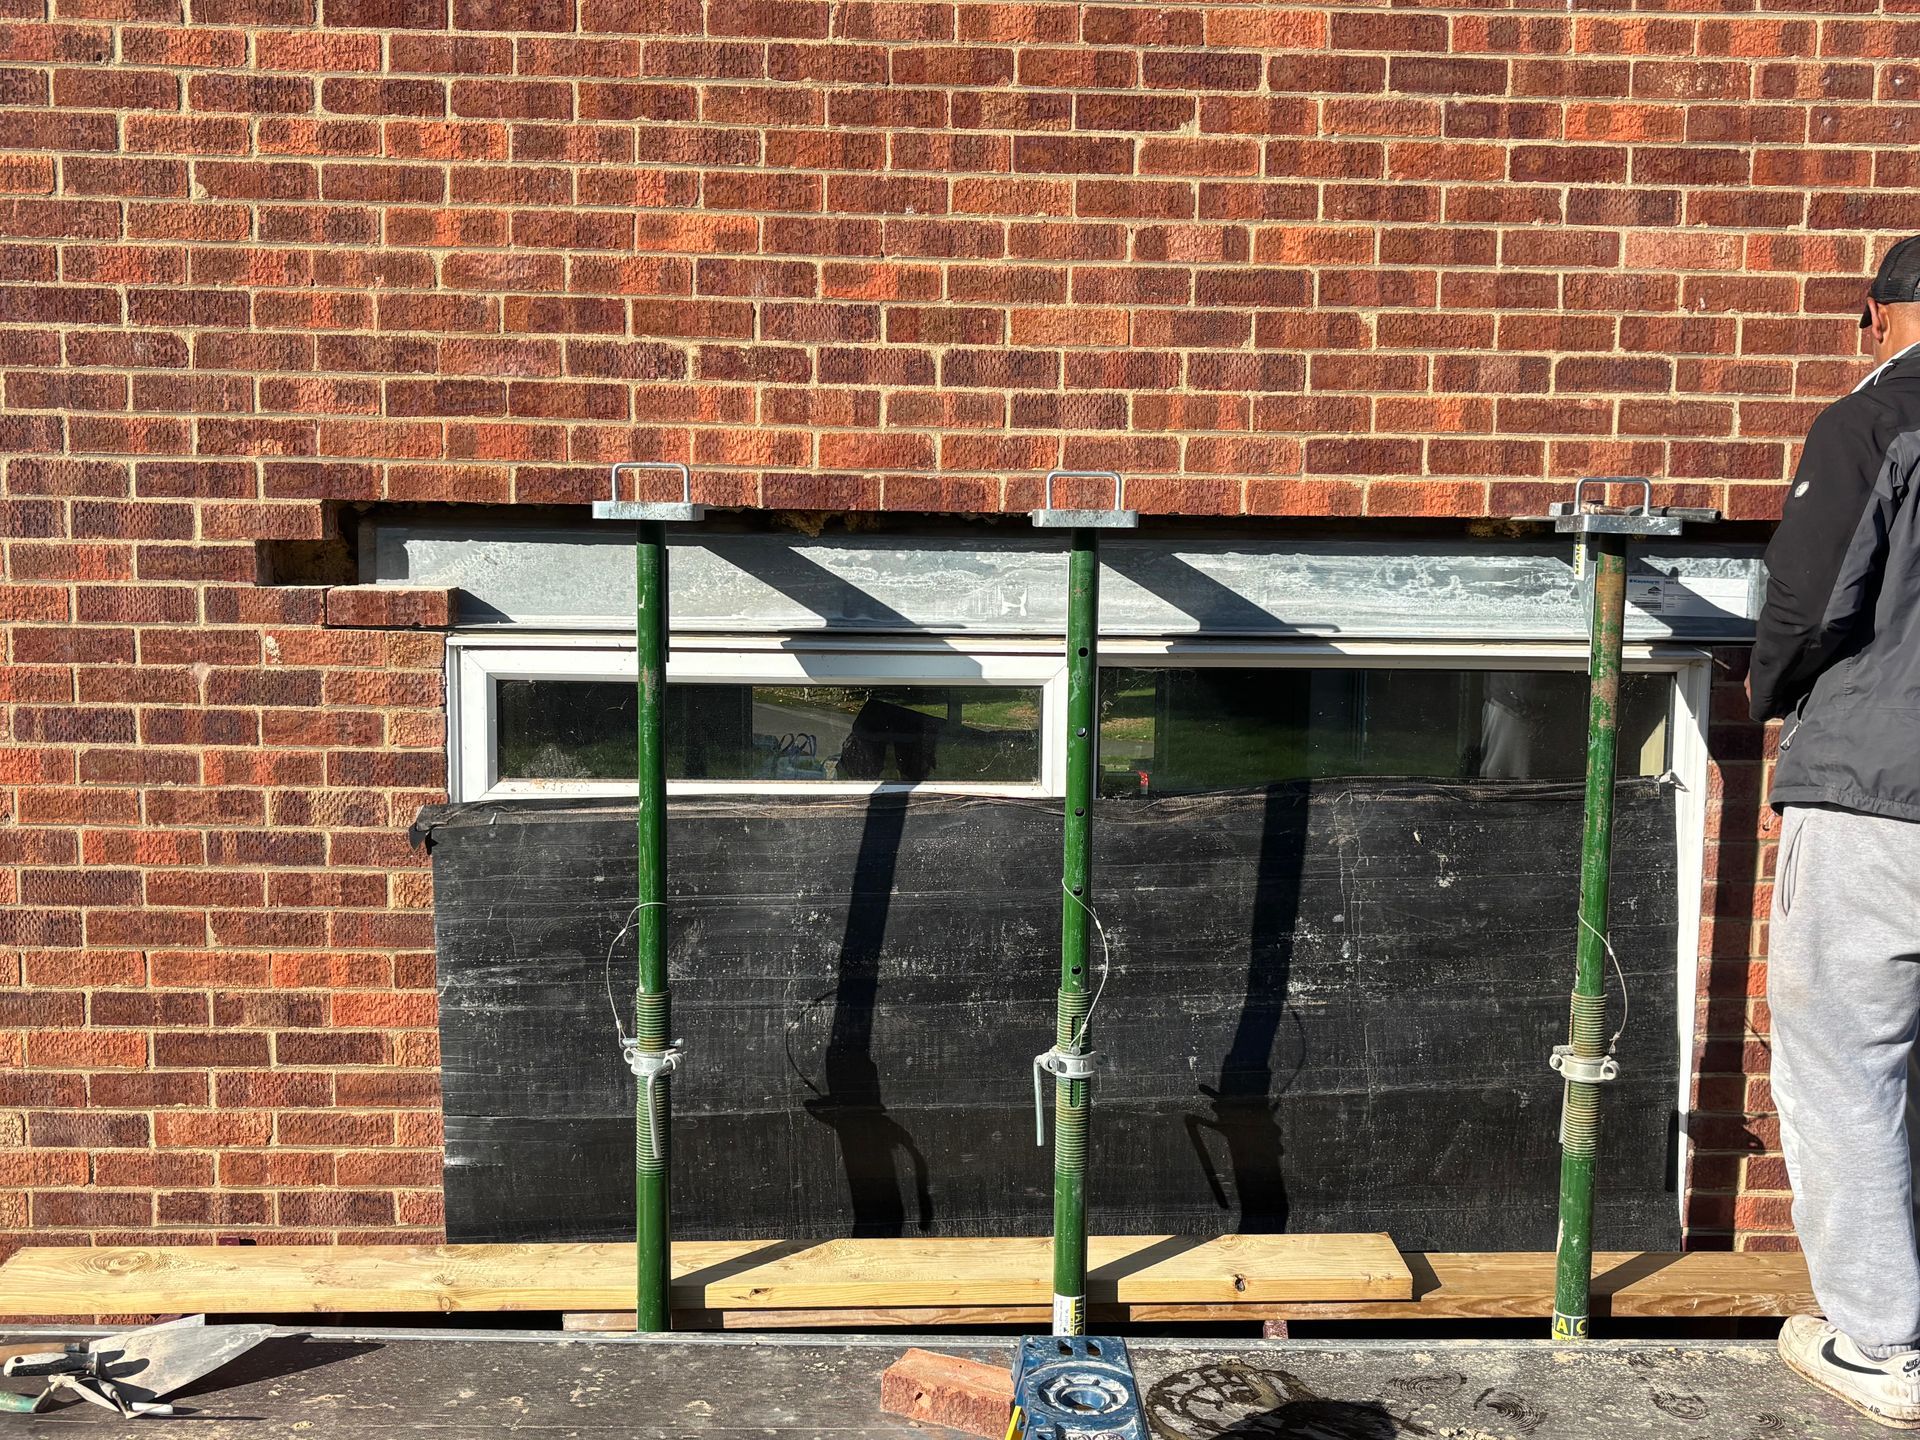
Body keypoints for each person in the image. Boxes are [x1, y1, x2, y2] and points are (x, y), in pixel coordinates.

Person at [1754, 234, 1920, 1428]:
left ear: (1876, 314)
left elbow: (1812, 601)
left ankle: (1884, 1346)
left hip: (1880, 788)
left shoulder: (1874, 419)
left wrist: (1767, 686)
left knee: (1844, 1059)